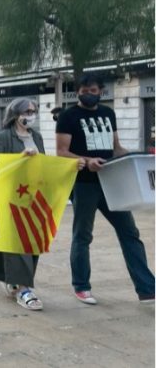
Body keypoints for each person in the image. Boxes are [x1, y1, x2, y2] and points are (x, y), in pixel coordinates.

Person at [56, 73, 155, 305]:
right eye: (85, 90)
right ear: (78, 91)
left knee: (130, 232)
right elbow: (61, 152)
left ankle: (147, 288)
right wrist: (87, 161)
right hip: (84, 184)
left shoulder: (108, 114)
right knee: (83, 235)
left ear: (101, 91)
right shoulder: (68, 117)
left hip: (112, 183)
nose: (89, 94)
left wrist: (136, 157)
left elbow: (116, 147)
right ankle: (81, 286)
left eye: (94, 91)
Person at [0, 98, 84, 310]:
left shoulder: (36, 136)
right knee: (17, 243)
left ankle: (12, 279)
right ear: (15, 114)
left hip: (33, 197)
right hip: (10, 198)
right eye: (26, 111)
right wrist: (18, 158)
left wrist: (69, 165)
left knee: (32, 241)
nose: (30, 115)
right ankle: (23, 289)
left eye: (33, 111)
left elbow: (44, 164)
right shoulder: (2, 137)